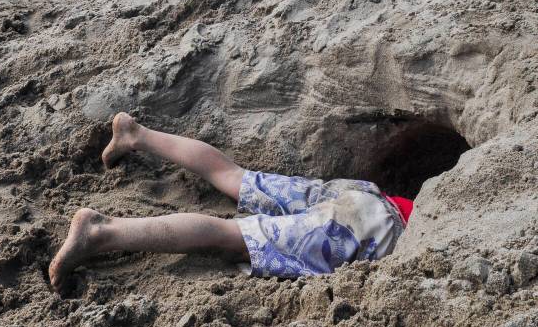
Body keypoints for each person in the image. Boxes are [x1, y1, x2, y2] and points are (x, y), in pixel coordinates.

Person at [48, 112, 412, 295]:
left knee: (234, 176)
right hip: (376, 231)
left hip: (370, 197)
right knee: (233, 236)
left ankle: (135, 133)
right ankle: (102, 232)